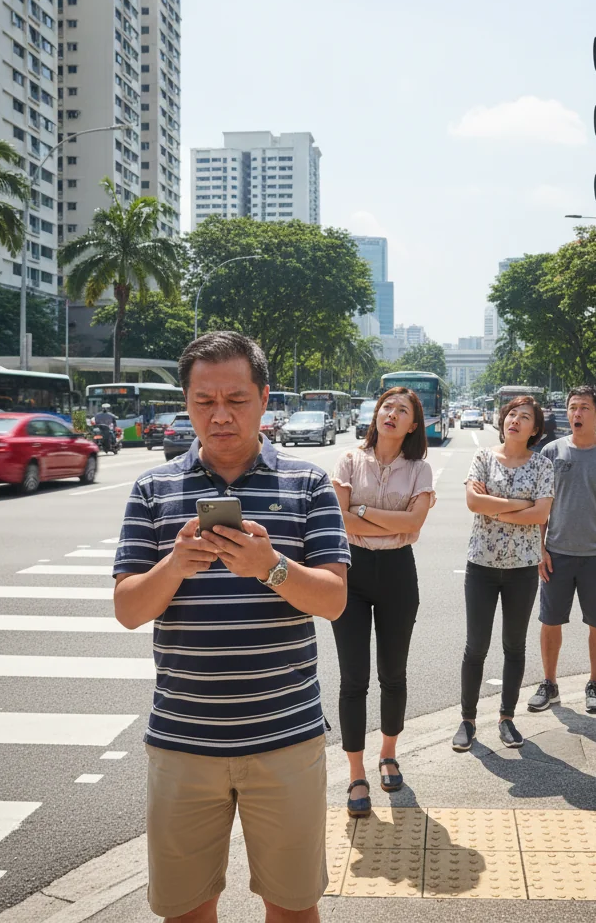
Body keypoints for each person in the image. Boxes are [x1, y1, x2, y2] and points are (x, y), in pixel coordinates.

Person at [112, 331, 349, 923]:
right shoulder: (152, 489)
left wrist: (268, 567)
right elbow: (129, 609)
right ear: (186, 404)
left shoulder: (308, 484)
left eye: (236, 400)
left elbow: (335, 599)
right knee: (186, 909)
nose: (219, 416)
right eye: (203, 401)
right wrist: (176, 564)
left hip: (286, 740)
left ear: (265, 399)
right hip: (183, 741)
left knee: (293, 906)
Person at [330, 387, 435, 817]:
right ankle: (356, 772)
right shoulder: (349, 460)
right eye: (386, 407)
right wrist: (383, 519)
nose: (392, 414)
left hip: (397, 573)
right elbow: (338, 516)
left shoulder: (420, 469)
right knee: (353, 679)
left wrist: (364, 511)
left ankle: (388, 752)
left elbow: (415, 523)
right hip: (349, 572)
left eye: (402, 410)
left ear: (413, 424)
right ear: (376, 416)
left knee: (393, 674)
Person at [453, 396, 554, 753]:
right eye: (511, 414)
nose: (515, 420)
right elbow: (473, 503)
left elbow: (541, 514)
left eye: (524, 417)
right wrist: (518, 506)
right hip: (480, 565)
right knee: (475, 646)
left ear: (535, 429)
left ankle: (507, 717)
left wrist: (496, 509)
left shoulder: (542, 465)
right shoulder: (482, 457)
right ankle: (467, 720)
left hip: (523, 569)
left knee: (514, 645)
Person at [529, 386, 596, 715]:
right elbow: (540, 506)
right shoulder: (551, 452)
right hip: (556, 554)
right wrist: (539, 548)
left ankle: (595, 684)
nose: (577, 413)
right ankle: (549, 683)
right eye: (573, 407)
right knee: (549, 621)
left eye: (584, 408)